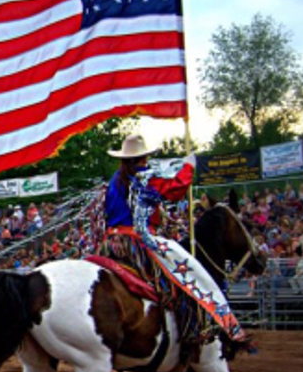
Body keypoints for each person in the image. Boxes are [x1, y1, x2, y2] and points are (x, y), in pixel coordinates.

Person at [102, 133, 250, 354]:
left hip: (111, 243)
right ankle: (194, 329)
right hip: (136, 241)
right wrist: (188, 166)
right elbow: (176, 188)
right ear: (143, 158)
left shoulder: (116, 179)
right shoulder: (144, 177)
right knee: (186, 276)